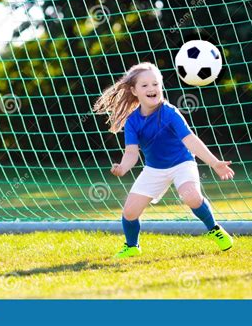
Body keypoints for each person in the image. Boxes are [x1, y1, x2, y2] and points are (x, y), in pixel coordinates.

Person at [93, 62, 234, 259]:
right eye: (145, 85)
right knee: (129, 213)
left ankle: (214, 229)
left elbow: (190, 140)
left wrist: (214, 162)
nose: (152, 89)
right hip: (154, 169)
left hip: (182, 164)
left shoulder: (170, 113)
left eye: (155, 84)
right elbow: (132, 153)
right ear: (134, 91)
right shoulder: (133, 121)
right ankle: (132, 246)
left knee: (191, 196)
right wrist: (123, 167)